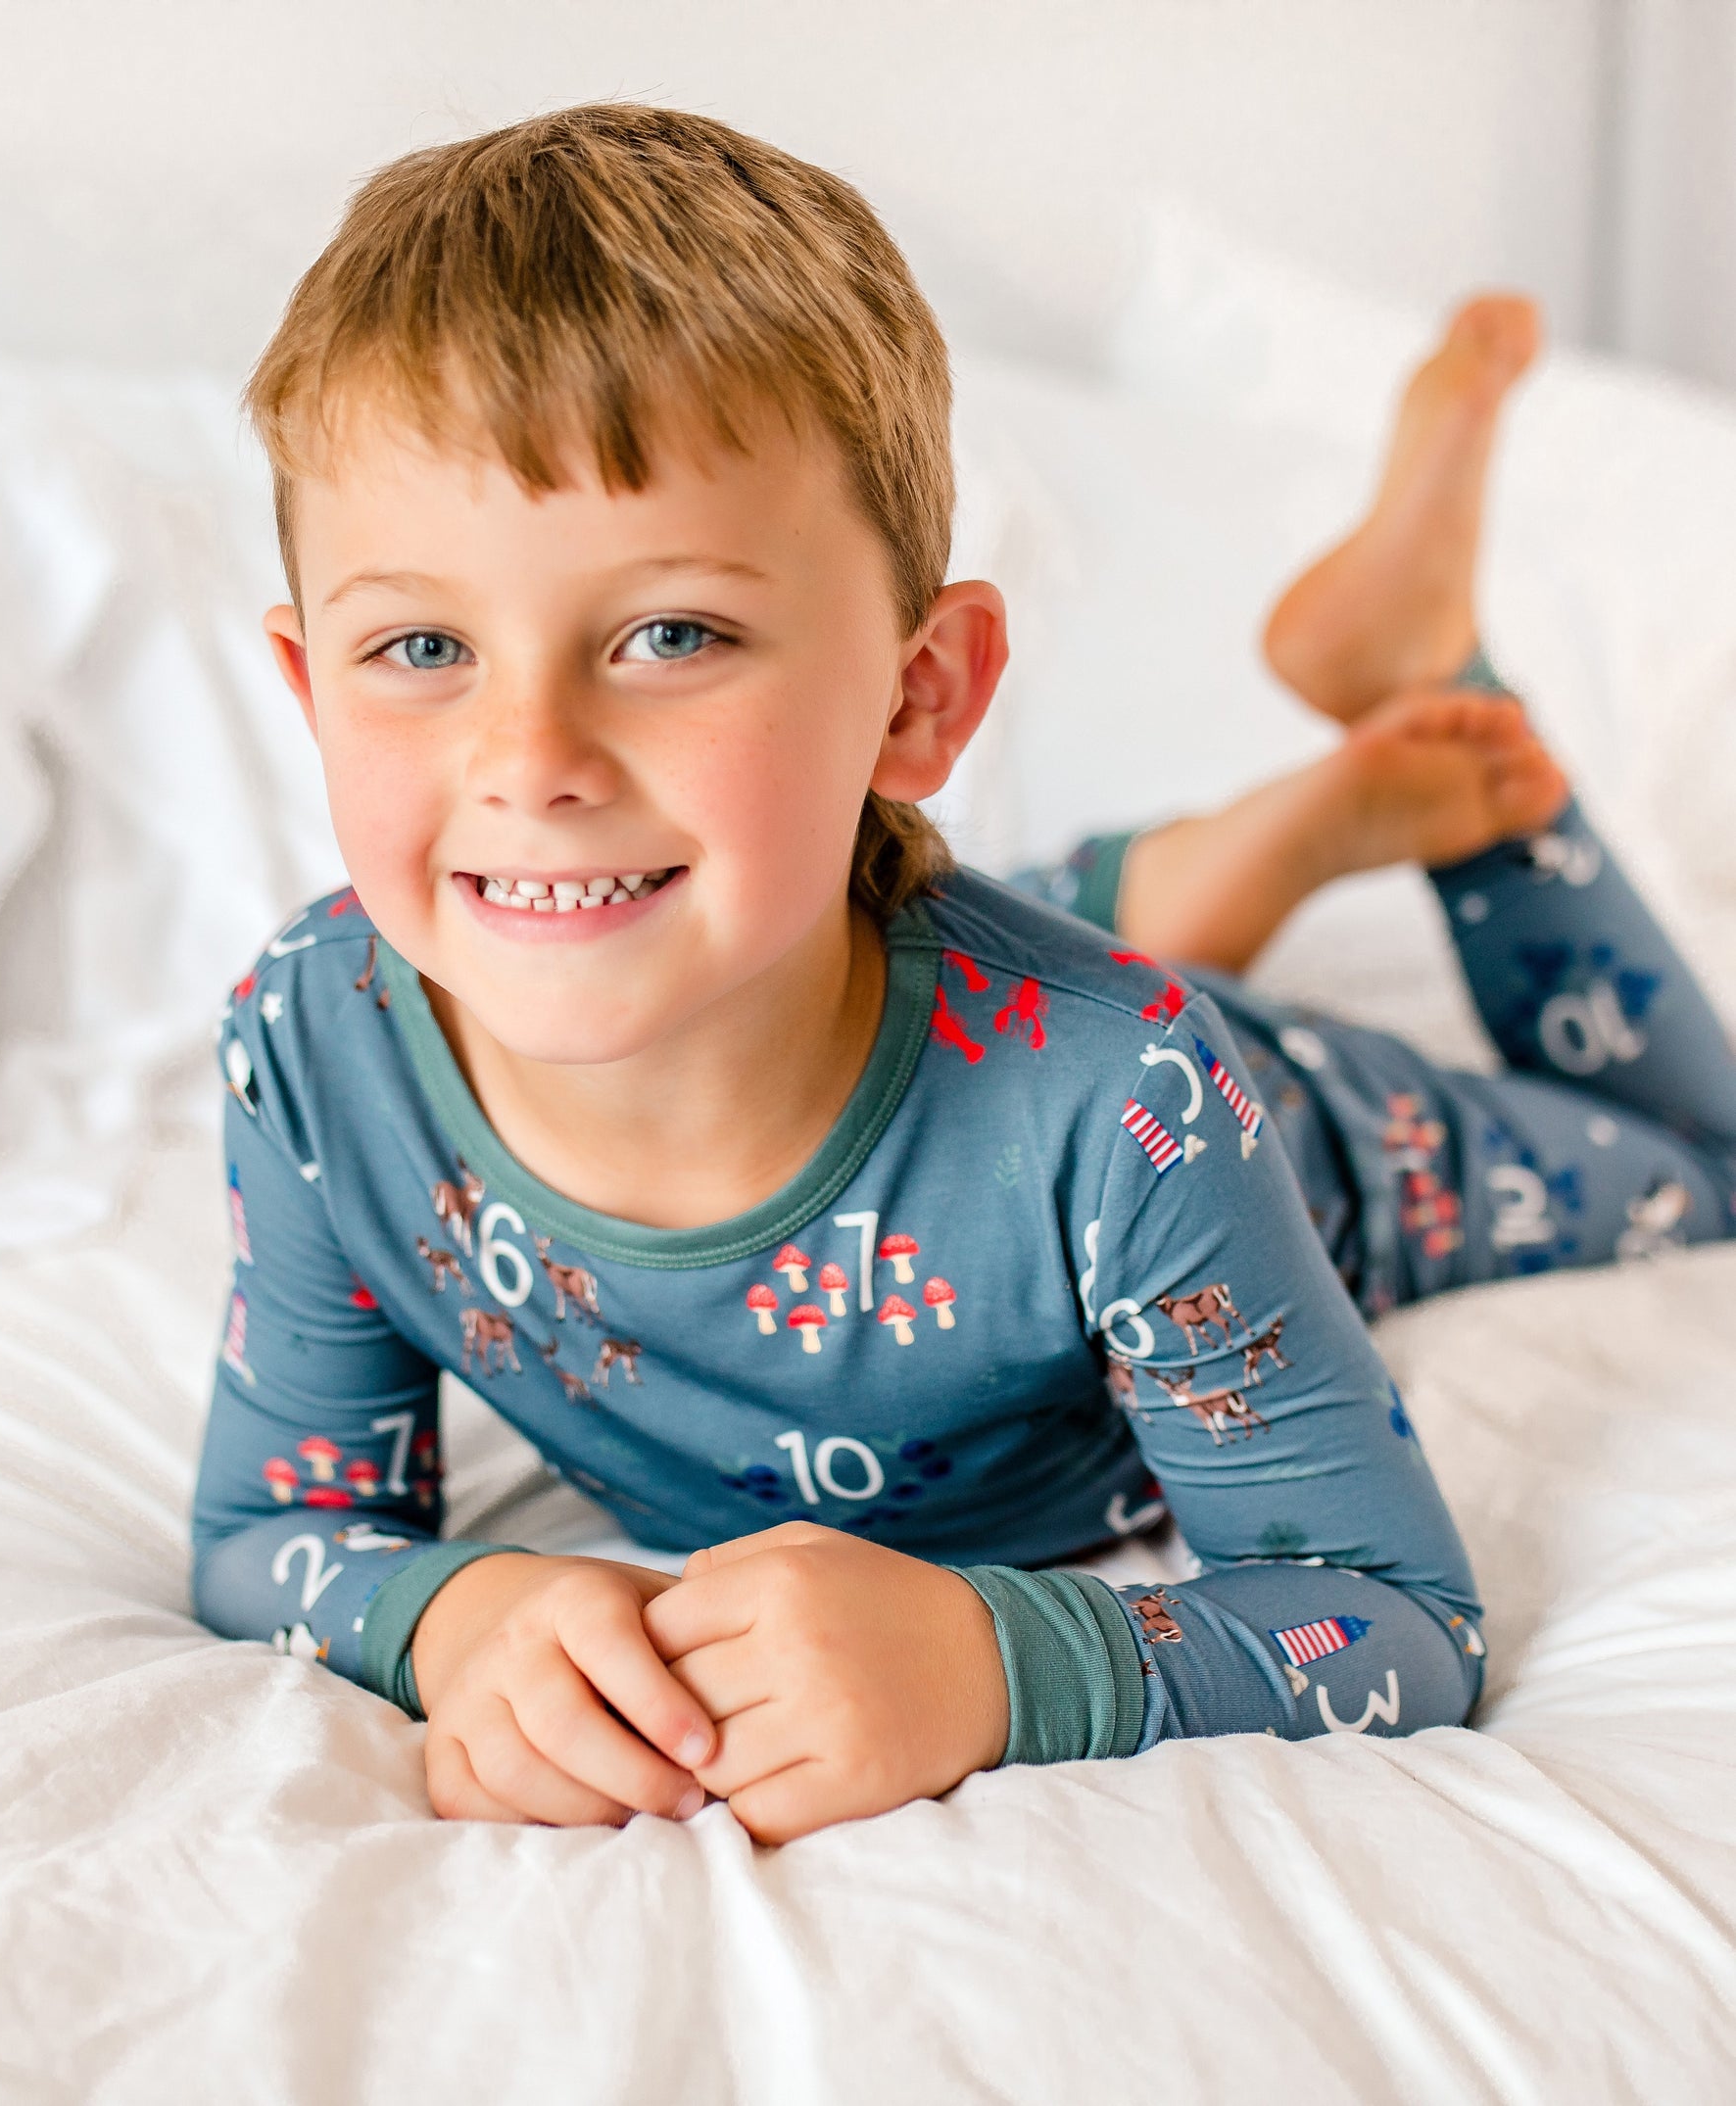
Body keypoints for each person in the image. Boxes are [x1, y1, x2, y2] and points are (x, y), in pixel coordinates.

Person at [190, 107, 1736, 1846]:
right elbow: (268, 1530)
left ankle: (1433, 674)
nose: (529, 755)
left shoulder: (1133, 1097)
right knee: (867, 906)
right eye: (420, 647)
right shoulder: (311, 1044)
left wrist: (1001, 1657)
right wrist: (459, 1613)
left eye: (669, 634)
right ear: (309, 685)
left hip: (1276, 1135)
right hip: (886, 952)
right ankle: (1246, 838)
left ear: (922, 695)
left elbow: (1388, 1615)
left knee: (1713, 1163)